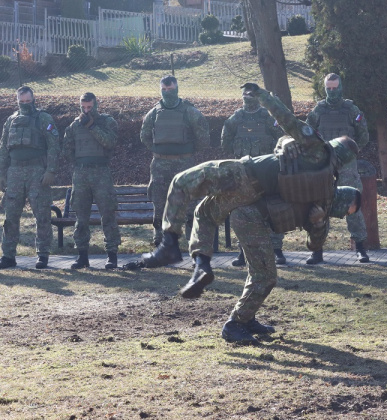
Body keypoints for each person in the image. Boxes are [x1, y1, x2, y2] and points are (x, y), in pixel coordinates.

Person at [142, 83, 361, 345]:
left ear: (334, 146)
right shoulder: (325, 191)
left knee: (180, 182)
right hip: (251, 197)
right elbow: (315, 244)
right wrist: (285, 145)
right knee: (205, 212)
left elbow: (286, 120)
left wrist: (263, 96)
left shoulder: (317, 149)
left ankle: (170, 245)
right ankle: (204, 269)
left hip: (244, 174)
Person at [306, 73, 370, 264]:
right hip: (324, 163)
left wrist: (349, 152)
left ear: (341, 87)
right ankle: (316, 251)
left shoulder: (351, 109)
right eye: (329, 88)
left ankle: (360, 248)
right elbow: (307, 135)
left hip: (346, 165)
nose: (332, 92)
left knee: (353, 204)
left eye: (335, 88)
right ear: (325, 88)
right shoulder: (318, 110)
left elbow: (363, 136)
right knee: (318, 206)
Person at [140, 75, 210, 247]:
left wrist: (188, 152)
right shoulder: (154, 113)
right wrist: (159, 151)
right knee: (159, 201)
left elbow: (203, 137)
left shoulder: (190, 111)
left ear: (177, 88)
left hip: (184, 163)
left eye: (170, 89)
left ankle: (192, 238)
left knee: (190, 200)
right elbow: (144, 136)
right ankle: (160, 238)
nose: (167, 92)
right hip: (160, 164)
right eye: (164, 89)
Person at [221, 90, 284, 267]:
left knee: (273, 208)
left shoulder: (267, 117)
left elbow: (281, 138)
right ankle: (244, 252)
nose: (248, 98)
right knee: (242, 211)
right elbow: (225, 140)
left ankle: (277, 249)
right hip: (244, 173)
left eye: (251, 94)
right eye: (245, 95)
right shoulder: (236, 118)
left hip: (267, 172)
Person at [0, 86, 60, 269]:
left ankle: (43, 254)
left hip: (36, 171)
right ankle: (8, 255)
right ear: (17, 101)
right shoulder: (11, 121)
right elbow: (4, 149)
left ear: (34, 99)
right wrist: (2, 173)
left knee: (42, 214)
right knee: (11, 216)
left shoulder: (44, 119)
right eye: (21, 101)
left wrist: (50, 170)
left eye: (28, 101)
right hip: (15, 172)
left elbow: (54, 145)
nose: (25, 104)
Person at [63, 92, 121, 270]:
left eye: (89, 107)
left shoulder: (106, 122)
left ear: (96, 105)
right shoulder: (74, 126)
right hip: (81, 174)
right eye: (83, 107)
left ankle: (112, 256)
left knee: (108, 215)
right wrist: (81, 164)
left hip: (101, 173)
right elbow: (67, 150)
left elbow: (110, 142)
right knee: (81, 218)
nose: (86, 110)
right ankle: (82, 257)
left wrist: (92, 126)